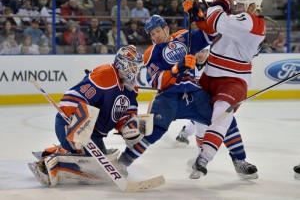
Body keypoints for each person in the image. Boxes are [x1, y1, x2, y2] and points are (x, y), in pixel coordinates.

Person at [29, 45, 145, 186]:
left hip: (93, 135)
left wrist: (128, 127)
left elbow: (124, 113)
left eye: (137, 66)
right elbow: (74, 96)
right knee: (87, 158)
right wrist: (76, 120)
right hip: (71, 123)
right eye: (133, 66)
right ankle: (46, 165)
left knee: (99, 171)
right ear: (122, 63)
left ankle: (52, 152)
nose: (136, 70)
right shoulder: (105, 74)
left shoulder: (132, 87)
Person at [182, 0, 266, 179]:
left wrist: (218, 4)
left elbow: (217, 21)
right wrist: (198, 16)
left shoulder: (251, 21)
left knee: (221, 114)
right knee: (207, 118)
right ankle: (235, 160)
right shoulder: (240, 21)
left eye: (242, 5)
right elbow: (211, 28)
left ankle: (205, 157)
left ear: (253, 6)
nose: (238, 9)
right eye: (237, 5)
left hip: (233, 80)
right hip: (211, 75)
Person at [115, 15, 214, 175]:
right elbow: (156, 81)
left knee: (213, 124)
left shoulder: (184, 37)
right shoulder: (152, 52)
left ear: (166, 28)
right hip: (169, 98)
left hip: (194, 97)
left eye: (157, 31)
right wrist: (176, 69)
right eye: (152, 34)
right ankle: (123, 161)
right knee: (150, 132)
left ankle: (201, 159)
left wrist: (199, 15)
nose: (155, 36)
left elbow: (210, 32)